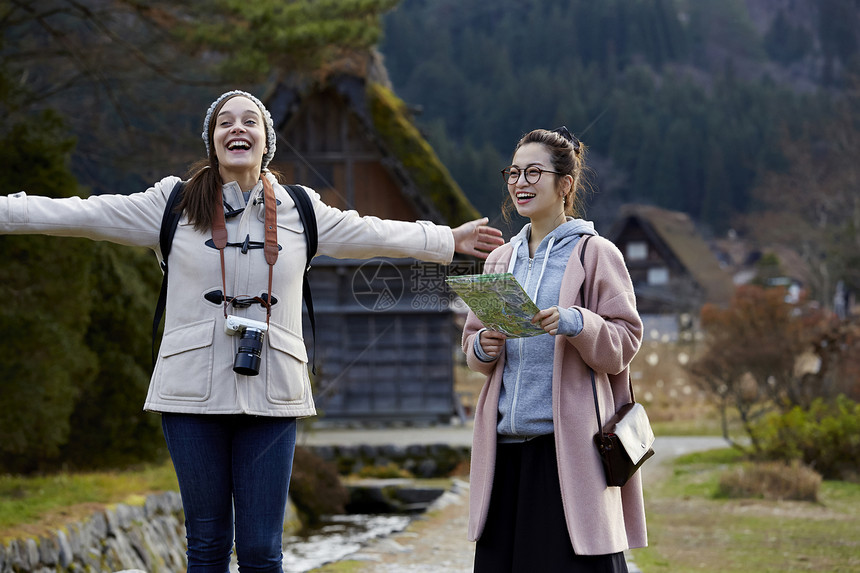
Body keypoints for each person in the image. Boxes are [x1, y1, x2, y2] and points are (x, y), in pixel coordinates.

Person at [0, 90, 504, 572]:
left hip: (273, 392)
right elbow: (79, 212)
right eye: (225, 121)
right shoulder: (170, 205)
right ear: (212, 142)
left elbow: (370, 230)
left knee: (262, 548)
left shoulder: (302, 209)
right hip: (189, 395)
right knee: (207, 541)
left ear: (266, 141)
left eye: (249, 121)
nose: (236, 128)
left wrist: (445, 238)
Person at [461, 127, 646, 572]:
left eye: (533, 172)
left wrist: (576, 321)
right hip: (504, 449)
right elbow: (470, 344)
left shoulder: (596, 254)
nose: (519, 182)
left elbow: (625, 342)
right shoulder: (500, 260)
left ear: (565, 185)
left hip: (567, 453)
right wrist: (482, 347)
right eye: (514, 173)